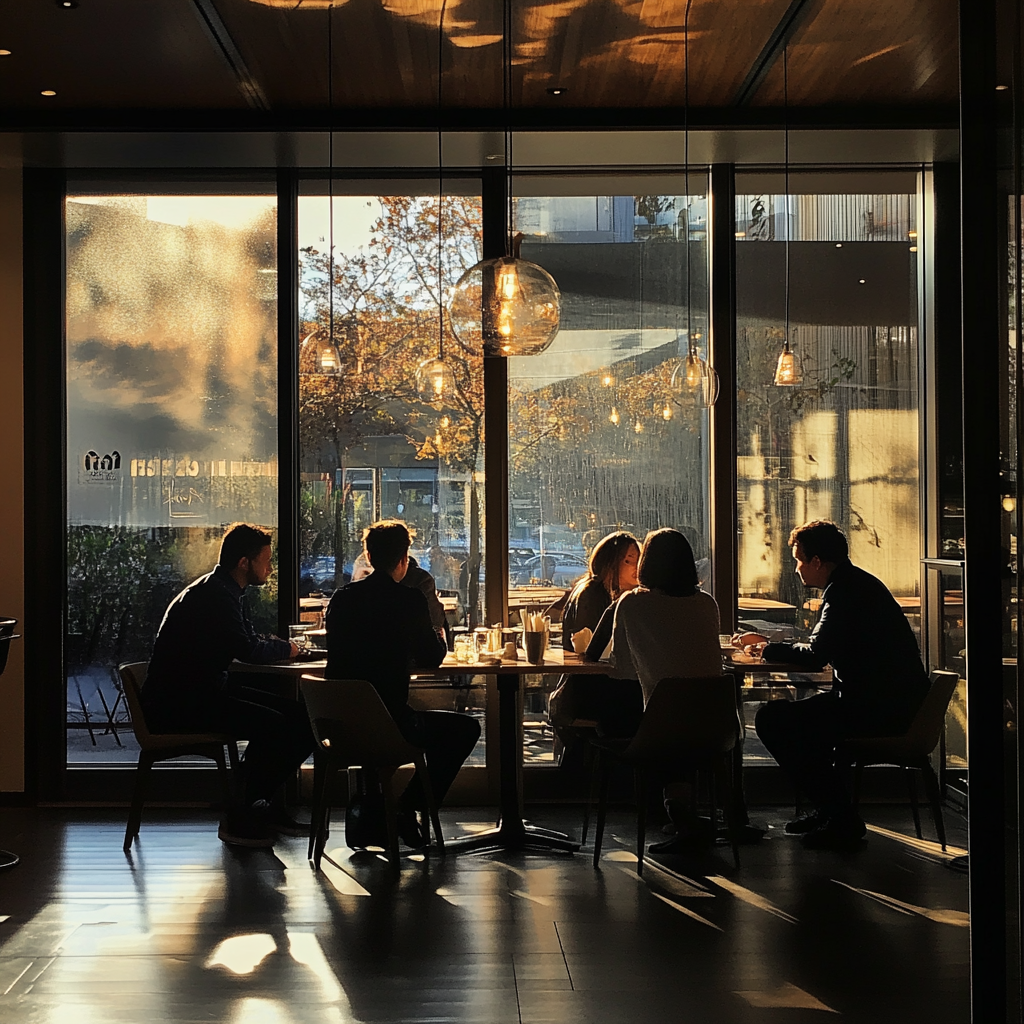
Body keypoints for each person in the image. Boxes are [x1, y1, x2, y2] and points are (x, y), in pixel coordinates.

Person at [751, 520, 930, 849]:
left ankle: (840, 816)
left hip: (877, 709)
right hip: (892, 702)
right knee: (800, 722)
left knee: (771, 719)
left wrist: (767, 648)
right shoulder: (857, 585)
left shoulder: (844, 593)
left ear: (817, 562)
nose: (796, 569)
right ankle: (831, 810)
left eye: (799, 560)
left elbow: (818, 654)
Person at [141, 523, 315, 848]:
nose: (271, 568)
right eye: (266, 561)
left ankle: (259, 804)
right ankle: (244, 812)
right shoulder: (217, 597)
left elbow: (246, 640)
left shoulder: (221, 590)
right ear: (245, 563)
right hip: (180, 705)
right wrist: (289, 649)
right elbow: (248, 650)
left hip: (194, 693)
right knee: (279, 724)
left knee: (300, 718)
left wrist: (275, 645)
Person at [324, 520, 480, 847]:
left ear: (367, 555)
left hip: (340, 728)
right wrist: (435, 637)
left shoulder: (341, 599)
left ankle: (393, 814)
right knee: (465, 730)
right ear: (404, 558)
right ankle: (408, 808)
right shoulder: (408, 600)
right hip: (391, 727)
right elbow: (433, 657)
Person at [600, 528, 724, 848]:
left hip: (663, 725)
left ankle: (674, 810)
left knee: (649, 716)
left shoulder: (631, 604)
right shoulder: (707, 603)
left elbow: (623, 669)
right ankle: (690, 813)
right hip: (717, 724)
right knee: (679, 716)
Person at [548, 532, 643, 740]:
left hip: (593, 689)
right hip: (586, 694)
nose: (636, 568)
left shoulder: (603, 593)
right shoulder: (592, 593)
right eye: (628, 561)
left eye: (639, 560)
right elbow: (591, 651)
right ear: (610, 562)